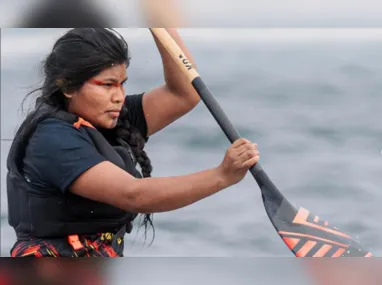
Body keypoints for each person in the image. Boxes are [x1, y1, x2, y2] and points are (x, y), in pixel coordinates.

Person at [6, 28, 260, 257]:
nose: (118, 96)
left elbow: (183, 93)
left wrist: (162, 23)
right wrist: (222, 175)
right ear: (68, 86)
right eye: (107, 85)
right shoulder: (52, 138)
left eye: (122, 84)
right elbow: (133, 194)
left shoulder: (109, 118)